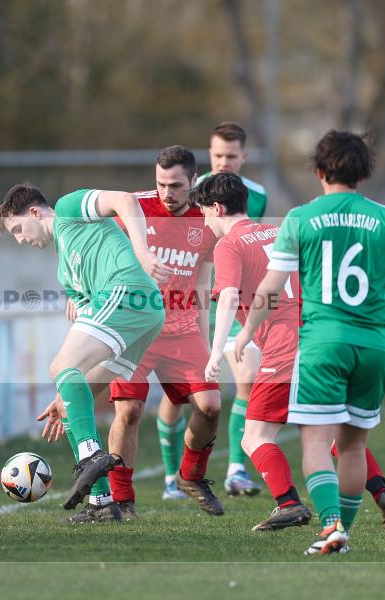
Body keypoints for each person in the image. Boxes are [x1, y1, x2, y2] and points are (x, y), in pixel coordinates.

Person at [238, 130, 385, 554]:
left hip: (321, 344)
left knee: (315, 440)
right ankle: (341, 532)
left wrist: (244, 331)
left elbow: (272, 287)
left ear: (319, 169)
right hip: (373, 346)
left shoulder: (299, 218)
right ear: (363, 172)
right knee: (352, 445)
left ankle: (331, 525)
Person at [200, 172, 385, 534]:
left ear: (217, 208)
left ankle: (289, 503)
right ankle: (382, 491)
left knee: (255, 437)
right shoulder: (279, 231)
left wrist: (218, 350)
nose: (205, 222)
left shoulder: (228, 244)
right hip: (319, 340)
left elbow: (230, 296)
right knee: (332, 436)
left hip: (282, 351)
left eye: (204, 214)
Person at [0, 184, 169, 522]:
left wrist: (143, 252)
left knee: (59, 365)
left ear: (34, 213)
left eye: (17, 229)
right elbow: (86, 321)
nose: (19, 239)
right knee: (67, 400)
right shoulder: (65, 272)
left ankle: (90, 457)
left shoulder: (68, 209)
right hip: (143, 315)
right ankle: (102, 504)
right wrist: (66, 392)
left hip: (129, 292)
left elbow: (125, 200)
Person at [105, 146, 223, 519]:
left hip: (183, 328)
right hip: (135, 329)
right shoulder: (133, 209)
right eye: (160, 184)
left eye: (175, 185)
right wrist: (80, 292)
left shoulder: (207, 218)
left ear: (193, 180)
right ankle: (122, 500)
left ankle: (190, 475)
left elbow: (204, 283)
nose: (166, 193)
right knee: (129, 411)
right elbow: (87, 242)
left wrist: (206, 342)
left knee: (210, 406)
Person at [156, 122, 267, 498]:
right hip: (191, 303)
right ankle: (173, 476)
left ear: (243, 157)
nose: (223, 163)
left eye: (230, 157)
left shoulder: (255, 196)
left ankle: (236, 467)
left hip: (232, 303)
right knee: (178, 398)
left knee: (246, 379)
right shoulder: (189, 189)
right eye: (217, 155)